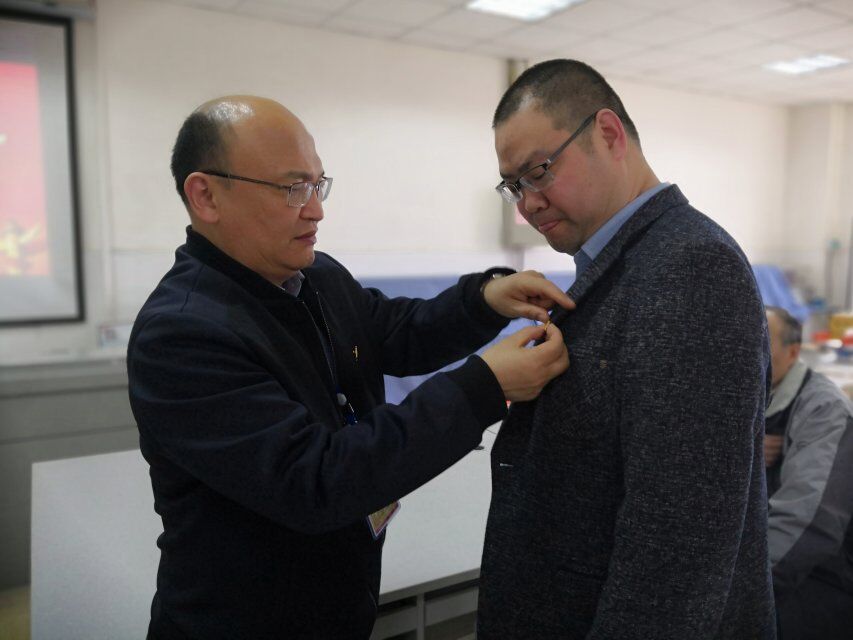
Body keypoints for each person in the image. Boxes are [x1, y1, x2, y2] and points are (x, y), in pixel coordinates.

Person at [126, 95, 573, 640]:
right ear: (206, 196)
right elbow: (314, 480)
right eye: (292, 189)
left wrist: (483, 300)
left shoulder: (314, 276)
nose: (316, 210)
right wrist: (485, 386)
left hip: (340, 606)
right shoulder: (182, 335)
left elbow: (394, 332)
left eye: (318, 185)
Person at [476, 59, 776, 639]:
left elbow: (675, 547)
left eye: (538, 172)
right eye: (514, 185)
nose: (527, 204)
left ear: (609, 134)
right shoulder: (626, 264)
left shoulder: (690, 266)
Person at [764, 306, 853, 640]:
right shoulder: (746, 398)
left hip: (819, 574)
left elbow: (808, 523)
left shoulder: (823, 410)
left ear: (793, 352)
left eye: (762, 344)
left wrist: (745, 591)